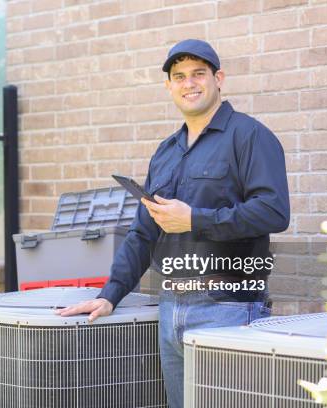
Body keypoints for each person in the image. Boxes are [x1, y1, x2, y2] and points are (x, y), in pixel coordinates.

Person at [56, 39, 290, 408]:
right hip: (170, 307)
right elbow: (143, 233)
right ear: (169, 86)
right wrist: (109, 295)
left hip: (227, 308)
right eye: (179, 76)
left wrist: (195, 219)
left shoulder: (249, 136)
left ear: (219, 79)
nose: (189, 83)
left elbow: (274, 212)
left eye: (199, 73)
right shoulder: (166, 152)